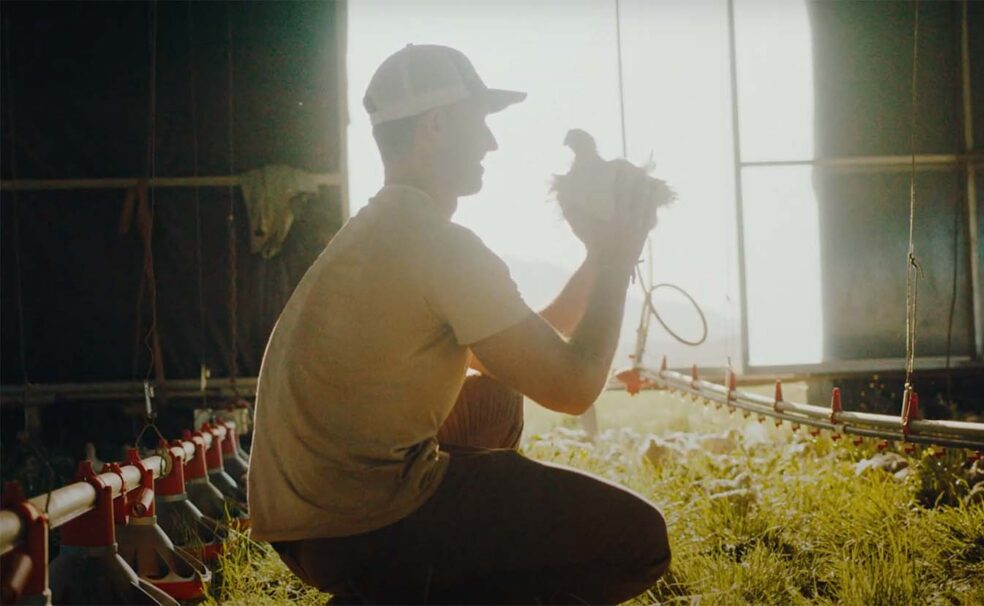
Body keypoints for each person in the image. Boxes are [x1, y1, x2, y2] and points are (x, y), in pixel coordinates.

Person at [248, 44, 670, 604]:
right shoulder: (438, 246)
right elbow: (572, 387)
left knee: (493, 405)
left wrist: (598, 257)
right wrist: (620, 254)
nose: (491, 143)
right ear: (437, 127)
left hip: (306, 525)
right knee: (637, 540)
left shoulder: (382, 230)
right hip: (364, 523)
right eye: (481, 123)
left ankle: (395, 590)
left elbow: (532, 339)